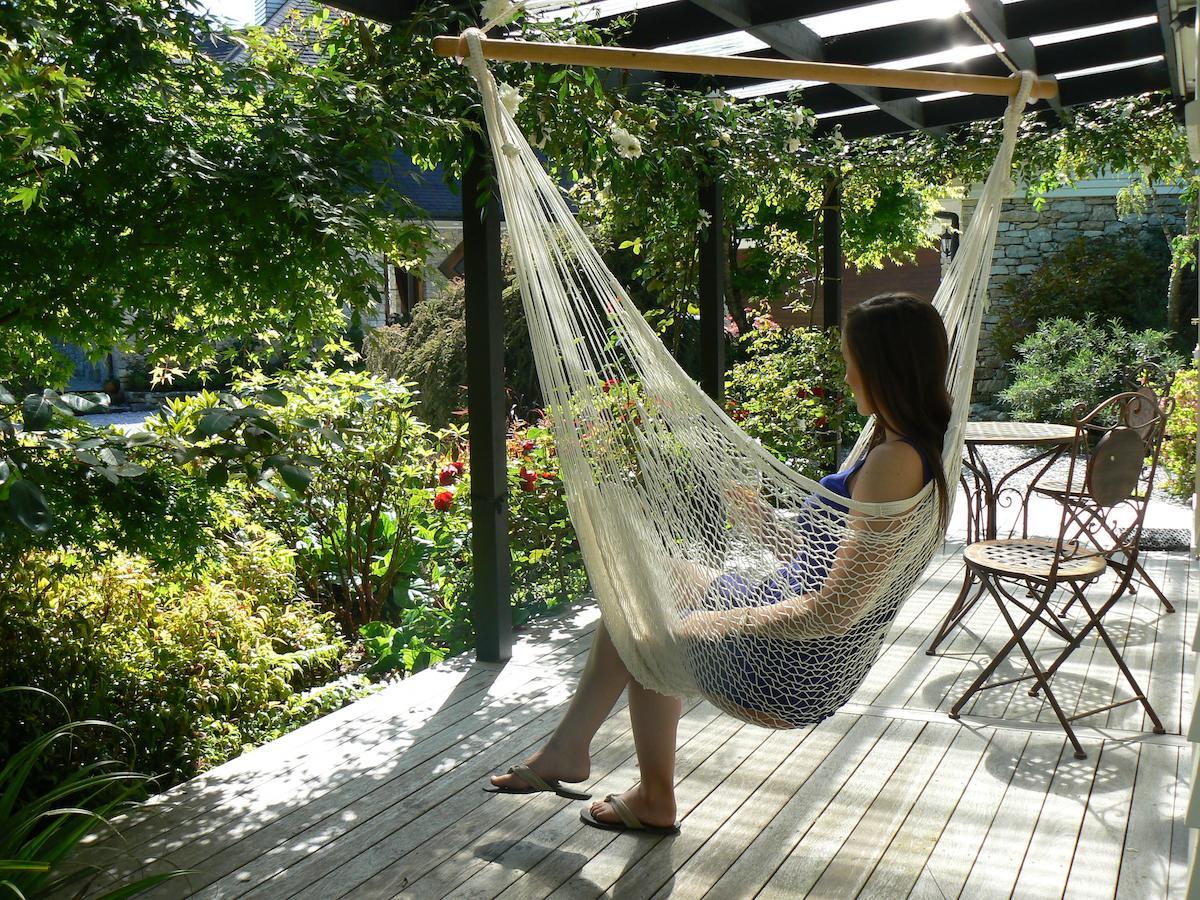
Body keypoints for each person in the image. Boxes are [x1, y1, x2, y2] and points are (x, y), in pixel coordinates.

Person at [487, 292, 952, 835]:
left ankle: (652, 794)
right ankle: (570, 749)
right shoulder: (901, 444)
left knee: (651, 629)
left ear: (883, 368)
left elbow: (836, 609)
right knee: (650, 579)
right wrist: (763, 523)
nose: (847, 374)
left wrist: (719, 622)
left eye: (852, 361)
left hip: (796, 662)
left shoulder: (894, 464)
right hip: (787, 610)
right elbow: (830, 560)